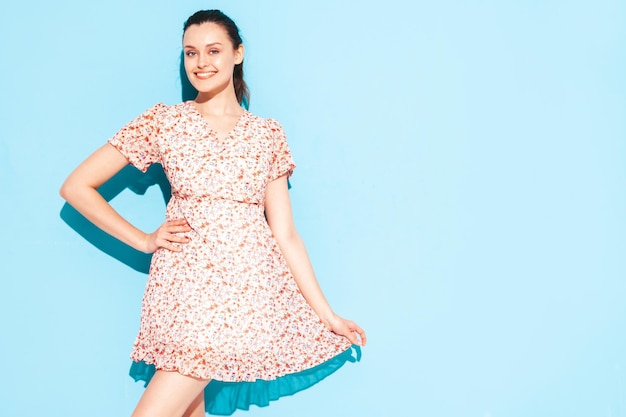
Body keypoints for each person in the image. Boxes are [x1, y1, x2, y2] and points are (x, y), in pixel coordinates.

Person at [60, 9, 366, 417]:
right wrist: (144, 239)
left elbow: (285, 232)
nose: (201, 63)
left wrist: (326, 314)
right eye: (190, 53)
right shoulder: (164, 121)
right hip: (184, 288)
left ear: (237, 54)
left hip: (245, 290)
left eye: (213, 50)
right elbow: (76, 186)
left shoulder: (267, 133)